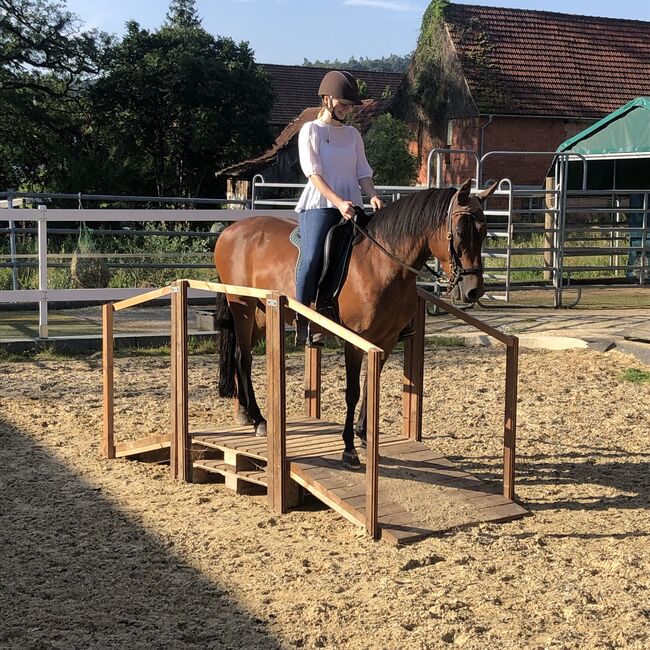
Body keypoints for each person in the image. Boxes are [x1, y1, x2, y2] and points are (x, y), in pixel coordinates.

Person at [293, 70, 383, 345]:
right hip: (320, 205)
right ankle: (304, 318)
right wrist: (337, 201)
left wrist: (373, 195)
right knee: (313, 256)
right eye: (342, 102)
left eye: (348, 104)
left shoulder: (354, 134)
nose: (346, 108)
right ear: (327, 99)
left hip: (351, 205)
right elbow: (314, 175)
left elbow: (362, 172)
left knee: (376, 252)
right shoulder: (311, 130)